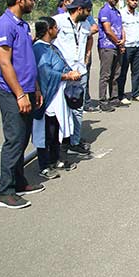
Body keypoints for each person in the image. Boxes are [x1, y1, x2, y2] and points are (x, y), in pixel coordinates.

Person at [0, 0, 44, 209]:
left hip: (27, 90)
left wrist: (36, 88)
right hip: (11, 92)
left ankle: (19, 181)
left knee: (23, 138)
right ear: (20, 0)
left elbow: (28, 61)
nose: (33, 2)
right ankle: (5, 192)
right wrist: (20, 94)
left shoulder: (22, 25)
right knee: (14, 139)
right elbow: (4, 63)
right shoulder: (4, 26)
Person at [32, 17, 81, 180]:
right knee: (47, 131)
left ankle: (56, 159)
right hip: (48, 96)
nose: (57, 30)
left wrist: (72, 73)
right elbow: (45, 72)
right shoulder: (39, 48)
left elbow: (61, 64)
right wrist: (66, 76)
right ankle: (44, 165)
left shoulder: (50, 47)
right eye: (55, 28)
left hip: (58, 95)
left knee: (58, 128)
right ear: (49, 30)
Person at [53, 0, 94, 154]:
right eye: (88, 11)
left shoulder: (84, 26)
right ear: (79, 9)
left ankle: (74, 141)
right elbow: (48, 43)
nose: (89, 14)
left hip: (80, 72)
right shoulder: (59, 21)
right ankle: (60, 142)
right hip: (63, 73)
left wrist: (86, 58)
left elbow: (89, 39)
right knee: (60, 109)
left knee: (78, 108)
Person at [98, 0, 125, 111]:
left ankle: (114, 98)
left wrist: (123, 40)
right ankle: (103, 100)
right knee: (106, 75)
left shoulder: (117, 12)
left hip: (117, 46)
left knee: (116, 74)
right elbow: (108, 30)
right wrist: (118, 42)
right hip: (107, 46)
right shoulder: (105, 11)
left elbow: (121, 27)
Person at [118, 0, 139, 103]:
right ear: (127, 1)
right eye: (132, 0)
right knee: (123, 72)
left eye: (136, 0)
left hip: (137, 45)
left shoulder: (138, 14)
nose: (134, 2)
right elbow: (119, 29)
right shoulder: (121, 14)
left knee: (137, 71)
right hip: (127, 46)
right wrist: (121, 44)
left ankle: (135, 93)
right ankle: (121, 95)